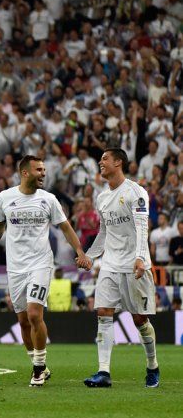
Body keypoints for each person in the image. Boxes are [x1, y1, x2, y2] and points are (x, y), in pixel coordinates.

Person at [0, 155, 90, 386]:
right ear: (25, 173)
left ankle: (38, 368)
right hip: (16, 268)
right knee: (23, 320)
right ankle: (38, 363)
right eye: (39, 170)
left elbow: (65, 227)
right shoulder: (5, 197)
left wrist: (80, 252)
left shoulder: (48, 199)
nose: (43, 173)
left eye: (44, 169)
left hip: (40, 264)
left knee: (35, 314)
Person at [80, 148, 160, 388]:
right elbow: (104, 232)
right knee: (103, 312)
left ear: (118, 162)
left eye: (105, 159)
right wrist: (90, 255)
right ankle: (103, 372)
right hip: (110, 265)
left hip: (134, 263)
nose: (100, 162)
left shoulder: (136, 191)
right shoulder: (102, 198)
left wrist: (140, 258)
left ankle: (153, 365)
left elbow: (142, 227)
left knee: (139, 319)